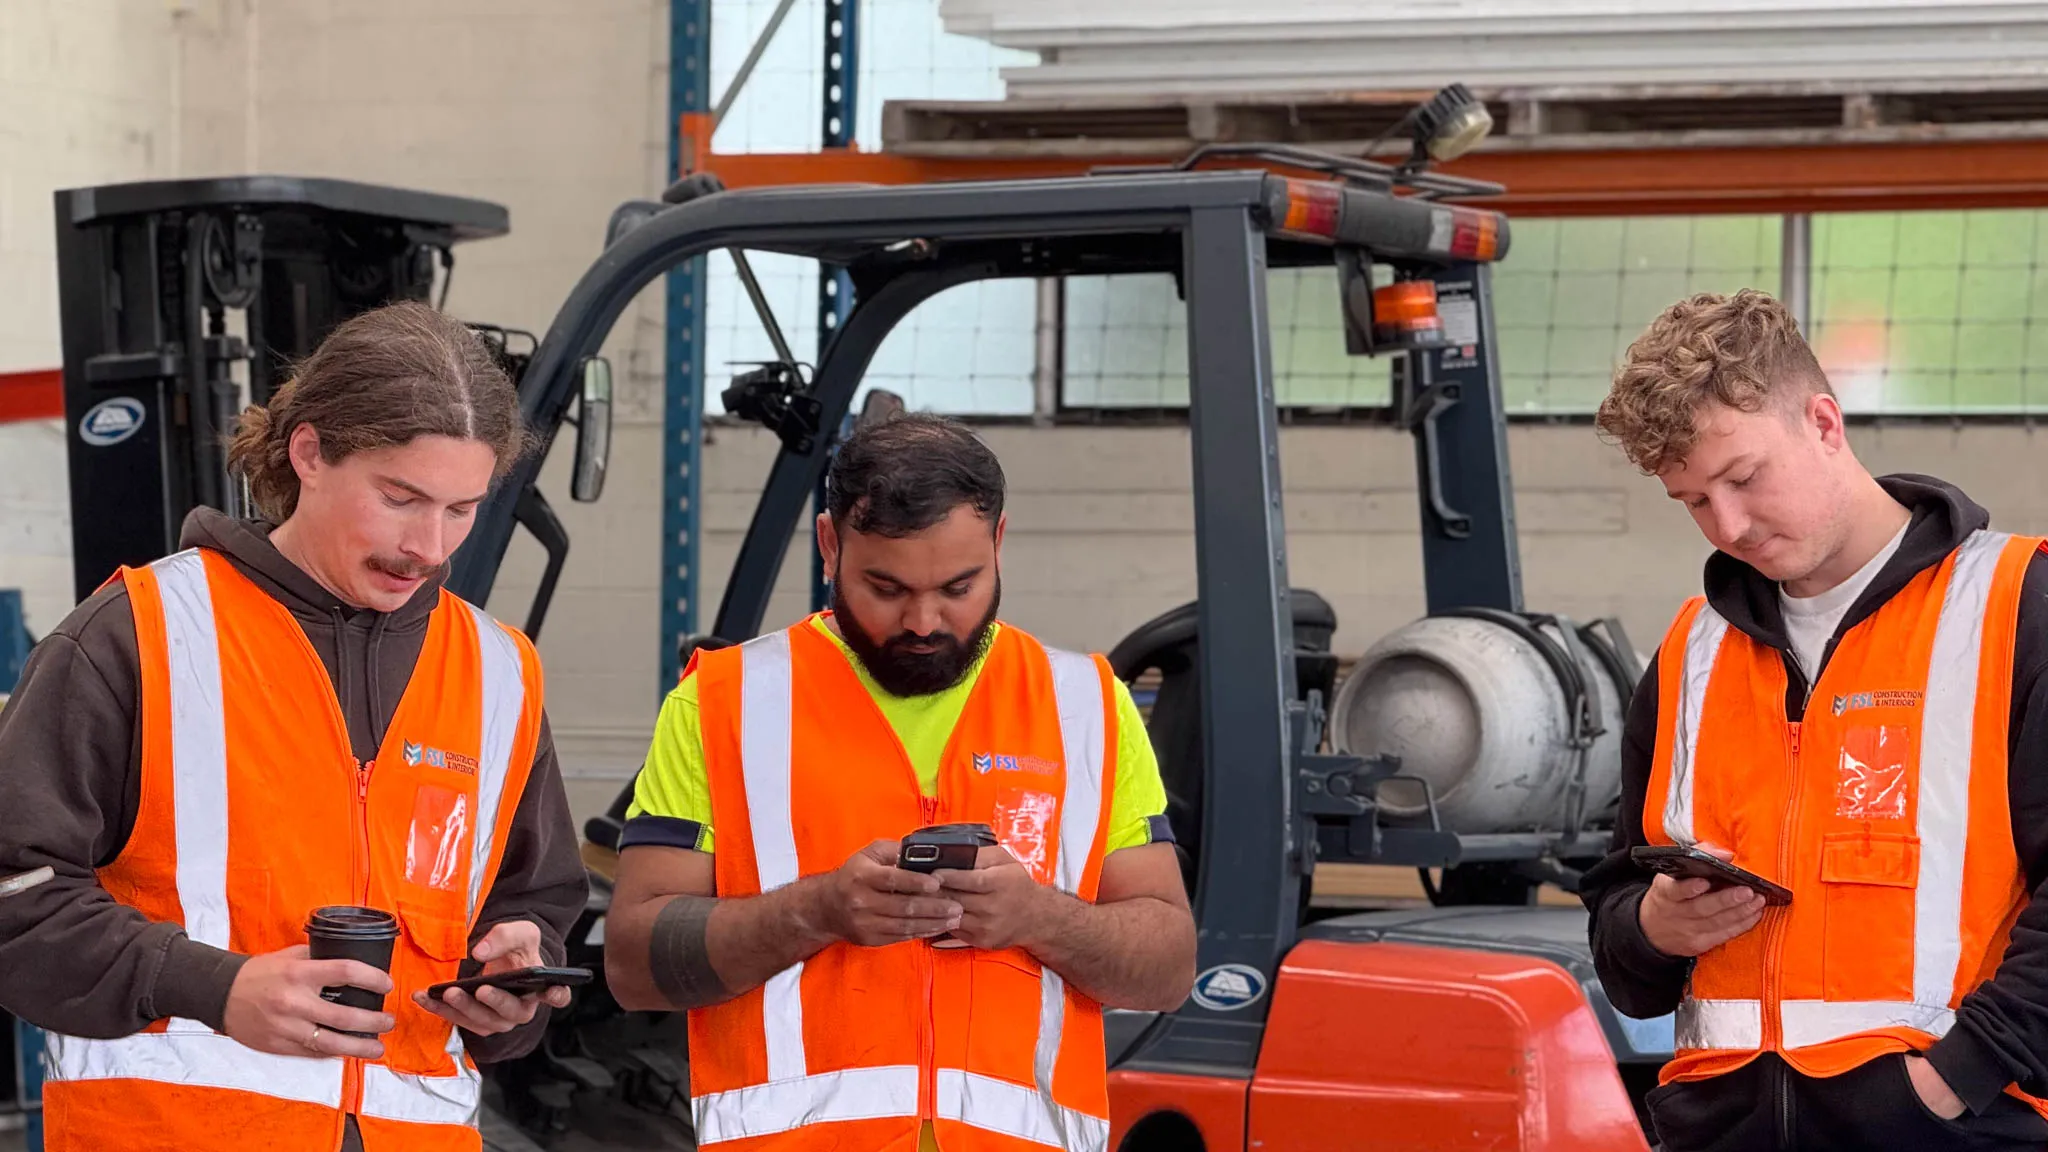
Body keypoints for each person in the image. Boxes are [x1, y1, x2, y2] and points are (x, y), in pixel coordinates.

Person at [0, 301, 589, 1152]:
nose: (429, 545)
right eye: (400, 498)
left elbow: (533, 904)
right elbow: (16, 893)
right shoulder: (141, 633)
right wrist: (209, 985)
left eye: (461, 509)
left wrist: (509, 985)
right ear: (308, 453)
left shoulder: (500, 672)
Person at [606, 412, 1197, 1152]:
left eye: (959, 586)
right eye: (884, 587)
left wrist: (1038, 917)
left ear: (999, 543)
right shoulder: (724, 703)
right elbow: (633, 964)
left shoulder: (1085, 705)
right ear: (830, 545)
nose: (923, 621)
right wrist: (815, 911)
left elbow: (1169, 967)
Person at [1580, 288, 2048, 1151]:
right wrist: (1651, 927)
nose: (1728, 526)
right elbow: (1621, 940)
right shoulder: (1692, 653)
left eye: (1744, 478)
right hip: (1720, 1130)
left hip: (1952, 1129)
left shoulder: (2019, 609)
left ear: (1824, 423)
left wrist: (1957, 1080)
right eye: (1693, 500)